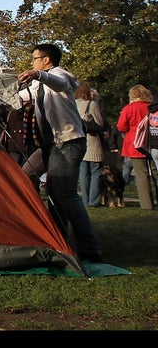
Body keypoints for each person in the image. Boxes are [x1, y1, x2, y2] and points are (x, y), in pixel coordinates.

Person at [17, 43, 102, 262]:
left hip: (67, 142)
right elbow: (20, 97)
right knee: (26, 176)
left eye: (34, 59)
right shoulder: (38, 84)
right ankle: (57, 239)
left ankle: (90, 249)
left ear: (46, 60)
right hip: (49, 145)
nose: (32, 63)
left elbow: (60, 83)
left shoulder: (58, 74)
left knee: (64, 194)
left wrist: (37, 74)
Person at [115, 83, 154, 210]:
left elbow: (121, 126)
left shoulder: (129, 108)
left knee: (141, 174)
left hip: (135, 143)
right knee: (155, 171)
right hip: (153, 141)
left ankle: (147, 204)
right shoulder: (151, 107)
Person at [75, 81, 105, 208]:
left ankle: (85, 199)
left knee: (83, 173)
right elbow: (99, 122)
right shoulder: (92, 104)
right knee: (96, 171)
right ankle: (94, 200)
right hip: (92, 140)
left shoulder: (73, 104)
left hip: (79, 138)